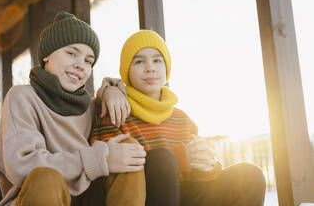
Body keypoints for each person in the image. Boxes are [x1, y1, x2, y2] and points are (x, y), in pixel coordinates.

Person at [91, 30, 267, 206]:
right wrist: (183, 158)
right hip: (145, 199)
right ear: (126, 71)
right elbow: (111, 173)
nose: (150, 67)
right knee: (162, 158)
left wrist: (206, 165)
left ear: (166, 68)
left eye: (157, 60)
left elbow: (201, 176)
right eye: (139, 61)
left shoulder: (182, 118)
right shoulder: (116, 111)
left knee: (250, 175)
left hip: (186, 196)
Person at [0, 12, 147, 206]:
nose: (80, 65)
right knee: (45, 178)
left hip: (86, 198)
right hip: (36, 198)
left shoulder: (93, 108)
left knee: (128, 147)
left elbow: (131, 118)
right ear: (47, 55)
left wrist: (112, 89)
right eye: (72, 53)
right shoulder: (22, 97)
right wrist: (99, 161)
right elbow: (22, 168)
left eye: (88, 61)